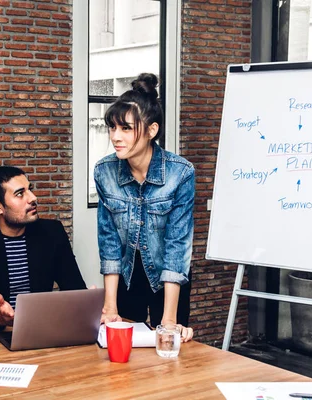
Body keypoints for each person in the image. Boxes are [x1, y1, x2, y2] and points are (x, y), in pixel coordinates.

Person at [94, 73, 195, 342]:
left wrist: (170, 322)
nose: (116, 136)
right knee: (124, 355)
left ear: (152, 130)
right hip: (127, 276)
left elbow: (177, 245)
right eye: (112, 128)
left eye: (126, 128)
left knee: (168, 348)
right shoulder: (104, 171)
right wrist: (110, 306)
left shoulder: (180, 173)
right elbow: (110, 243)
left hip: (169, 276)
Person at [0, 166, 87, 331]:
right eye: (20, 194)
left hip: (41, 329)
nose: (32, 198)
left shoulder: (52, 232)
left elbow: (74, 288)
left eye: (30, 190)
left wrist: (87, 303)